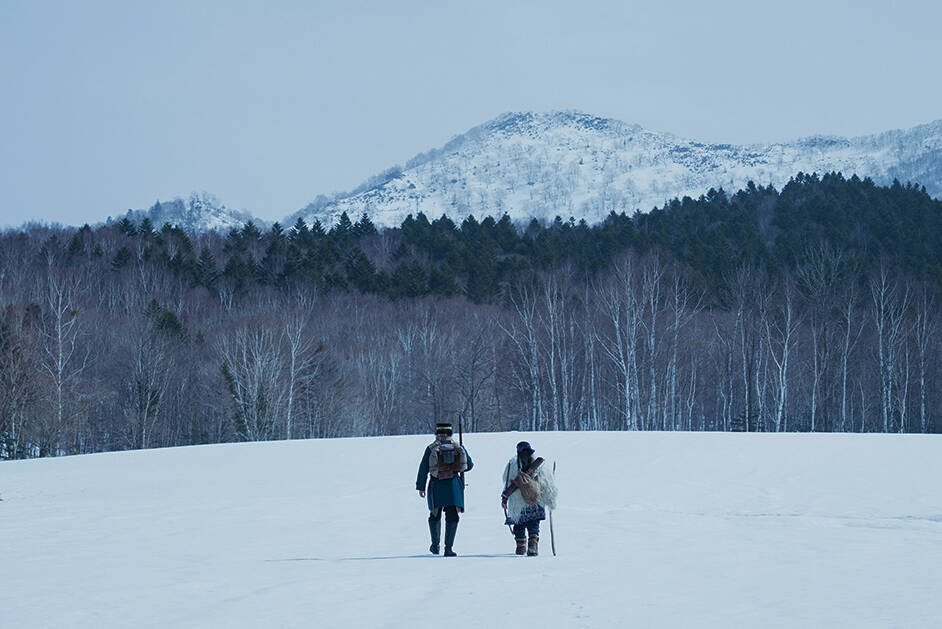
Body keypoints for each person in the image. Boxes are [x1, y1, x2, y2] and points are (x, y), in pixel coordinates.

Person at [416, 422, 473, 557]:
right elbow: (469, 465)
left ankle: (435, 546)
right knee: (452, 515)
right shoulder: (458, 447)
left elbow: (423, 468)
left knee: (435, 515)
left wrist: (421, 486)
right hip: (453, 486)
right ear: (450, 433)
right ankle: (448, 549)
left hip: (436, 485)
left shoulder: (431, 448)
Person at [500, 440, 557, 556]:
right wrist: (550, 500)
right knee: (534, 524)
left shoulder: (512, 464)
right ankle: (533, 545)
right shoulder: (540, 465)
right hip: (536, 500)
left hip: (518, 502)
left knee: (519, 524)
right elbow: (547, 483)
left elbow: (506, 483)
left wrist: (504, 498)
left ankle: (520, 547)